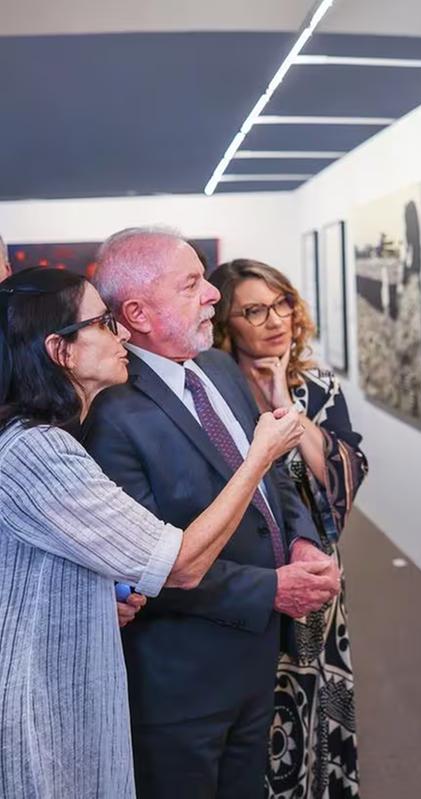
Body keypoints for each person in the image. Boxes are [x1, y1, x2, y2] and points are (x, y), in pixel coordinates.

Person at [0, 268, 306, 796]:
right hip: (47, 700)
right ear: (61, 351)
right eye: (101, 324)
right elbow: (180, 563)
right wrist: (259, 456)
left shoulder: (42, 441)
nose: (120, 335)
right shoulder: (40, 450)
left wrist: (104, 593)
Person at [82, 227, 342, 799]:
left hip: (253, 664)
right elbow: (145, 562)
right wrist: (271, 589)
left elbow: (271, 470)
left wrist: (300, 543)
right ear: (139, 313)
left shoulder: (220, 368)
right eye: (192, 284)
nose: (213, 296)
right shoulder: (110, 417)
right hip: (181, 685)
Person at [210, 258, 367, 798]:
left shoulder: (316, 387)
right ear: (226, 321)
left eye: (281, 304)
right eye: (254, 310)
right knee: (250, 726)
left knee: (311, 703)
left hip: (312, 572)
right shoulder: (214, 394)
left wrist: (287, 411)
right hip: (246, 577)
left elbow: (339, 490)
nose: (275, 319)